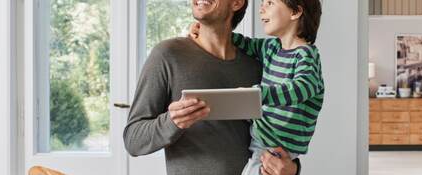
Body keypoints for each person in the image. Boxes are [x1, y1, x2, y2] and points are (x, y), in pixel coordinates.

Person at [123, 0, 298, 174]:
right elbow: (134, 140)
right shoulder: (168, 55)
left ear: (237, 3)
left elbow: (280, 132)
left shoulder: (258, 64)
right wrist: (172, 122)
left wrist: (293, 168)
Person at [191, 0, 323, 174]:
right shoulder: (271, 47)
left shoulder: (306, 54)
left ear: (295, 12)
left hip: (277, 144)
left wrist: (258, 94)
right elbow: (242, 42)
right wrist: (206, 31)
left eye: (270, 3)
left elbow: (304, 87)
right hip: (265, 136)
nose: (261, 8)